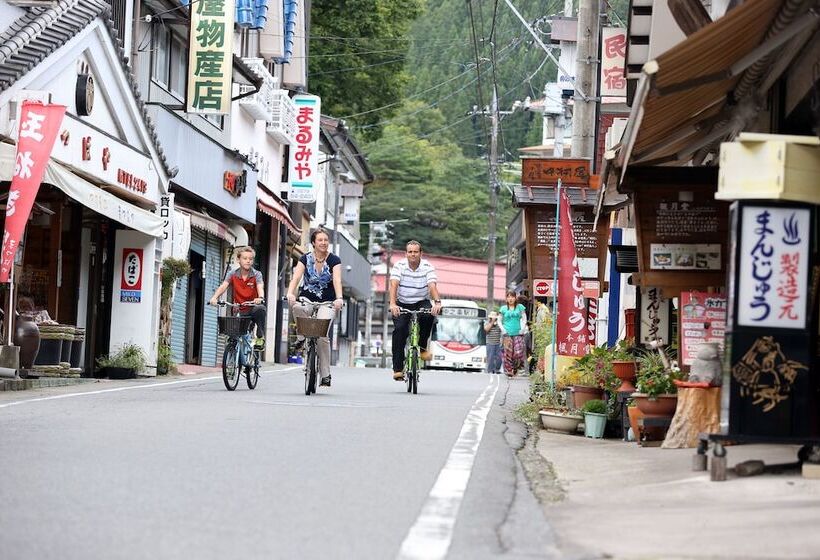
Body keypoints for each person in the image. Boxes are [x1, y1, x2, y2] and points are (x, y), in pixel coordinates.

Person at [286, 228, 343, 387]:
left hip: (327, 302)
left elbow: (337, 280)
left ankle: (325, 375)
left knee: (322, 335)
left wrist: (339, 298)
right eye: (320, 240)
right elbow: (296, 277)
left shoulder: (334, 260)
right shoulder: (305, 259)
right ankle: (301, 337)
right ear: (313, 243)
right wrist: (291, 293)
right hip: (307, 299)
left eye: (326, 240)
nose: (324, 243)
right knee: (296, 307)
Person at [389, 240, 442, 380]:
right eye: (410, 252)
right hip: (402, 302)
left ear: (421, 253)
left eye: (415, 252)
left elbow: (432, 286)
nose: (413, 254)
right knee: (400, 330)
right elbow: (394, 285)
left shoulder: (427, 266)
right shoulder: (399, 265)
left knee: (429, 314)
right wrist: (393, 304)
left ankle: (423, 347)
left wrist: (437, 303)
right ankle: (398, 368)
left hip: (421, 301)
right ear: (406, 254)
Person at [209, 246, 266, 348]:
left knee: (260, 309)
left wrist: (260, 298)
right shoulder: (232, 274)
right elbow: (223, 286)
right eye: (245, 258)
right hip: (239, 309)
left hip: (252, 307)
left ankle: (260, 336)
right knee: (233, 333)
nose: (248, 261)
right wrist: (214, 297)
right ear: (238, 260)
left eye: (250, 259)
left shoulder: (257, 274)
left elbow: (260, 287)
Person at [499, 290, 528, 377]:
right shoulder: (503, 308)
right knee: (507, 353)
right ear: (506, 299)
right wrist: (502, 329)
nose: (510, 299)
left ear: (515, 298)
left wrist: (522, 328)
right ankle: (509, 370)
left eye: (512, 297)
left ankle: (516, 367)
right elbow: (499, 320)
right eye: (508, 297)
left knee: (518, 352)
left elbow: (524, 318)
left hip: (518, 333)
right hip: (507, 334)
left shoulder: (520, 307)